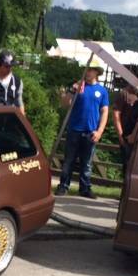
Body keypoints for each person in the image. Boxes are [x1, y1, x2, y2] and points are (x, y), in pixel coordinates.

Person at [55, 67, 110, 198]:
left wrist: (100, 131)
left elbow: (104, 111)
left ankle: (85, 188)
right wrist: (71, 91)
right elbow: (64, 104)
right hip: (74, 129)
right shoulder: (78, 87)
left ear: (97, 72)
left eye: (91, 70)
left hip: (91, 131)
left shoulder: (102, 91)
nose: (88, 72)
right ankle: (63, 186)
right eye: (87, 70)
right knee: (68, 160)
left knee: (87, 163)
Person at [113, 67, 138, 178]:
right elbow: (116, 114)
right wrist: (120, 135)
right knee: (127, 165)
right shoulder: (125, 93)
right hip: (127, 135)